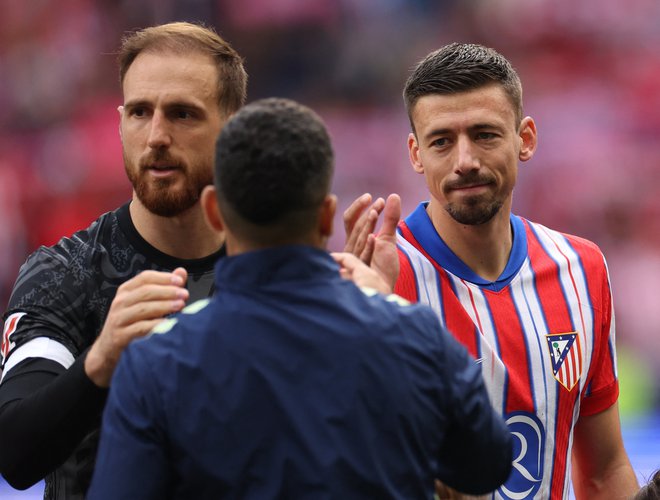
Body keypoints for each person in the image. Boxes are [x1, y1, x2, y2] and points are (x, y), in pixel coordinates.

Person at [86, 97, 513, 499]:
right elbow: (487, 465)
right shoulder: (414, 335)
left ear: (214, 210)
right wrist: (385, 307)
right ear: (327, 215)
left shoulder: (156, 362)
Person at [344, 43, 639, 499]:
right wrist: (358, 319)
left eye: (484, 134)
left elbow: (603, 469)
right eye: (442, 141)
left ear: (525, 139)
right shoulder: (379, 277)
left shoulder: (581, 269)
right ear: (416, 153)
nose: (465, 160)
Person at [0, 21, 247, 500]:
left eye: (182, 114)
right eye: (139, 112)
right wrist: (101, 360)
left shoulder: (273, 271)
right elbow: (14, 453)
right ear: (119, 123)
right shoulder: (65, 274)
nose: (156, 136)